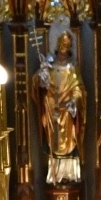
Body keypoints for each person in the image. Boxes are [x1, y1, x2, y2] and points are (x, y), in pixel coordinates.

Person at [33, 30, 86, 186]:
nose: (64, 47)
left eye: (67, 45)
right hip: (52, 109)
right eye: (62, 44)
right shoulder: (49, 65)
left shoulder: (72, 66)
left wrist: (73, 101)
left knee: (69, 140)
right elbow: (40, 86)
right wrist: (41, 76)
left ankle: (69, 174)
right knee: (53, 142)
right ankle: (54, 173)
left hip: (67, 110)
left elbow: (78, 88)